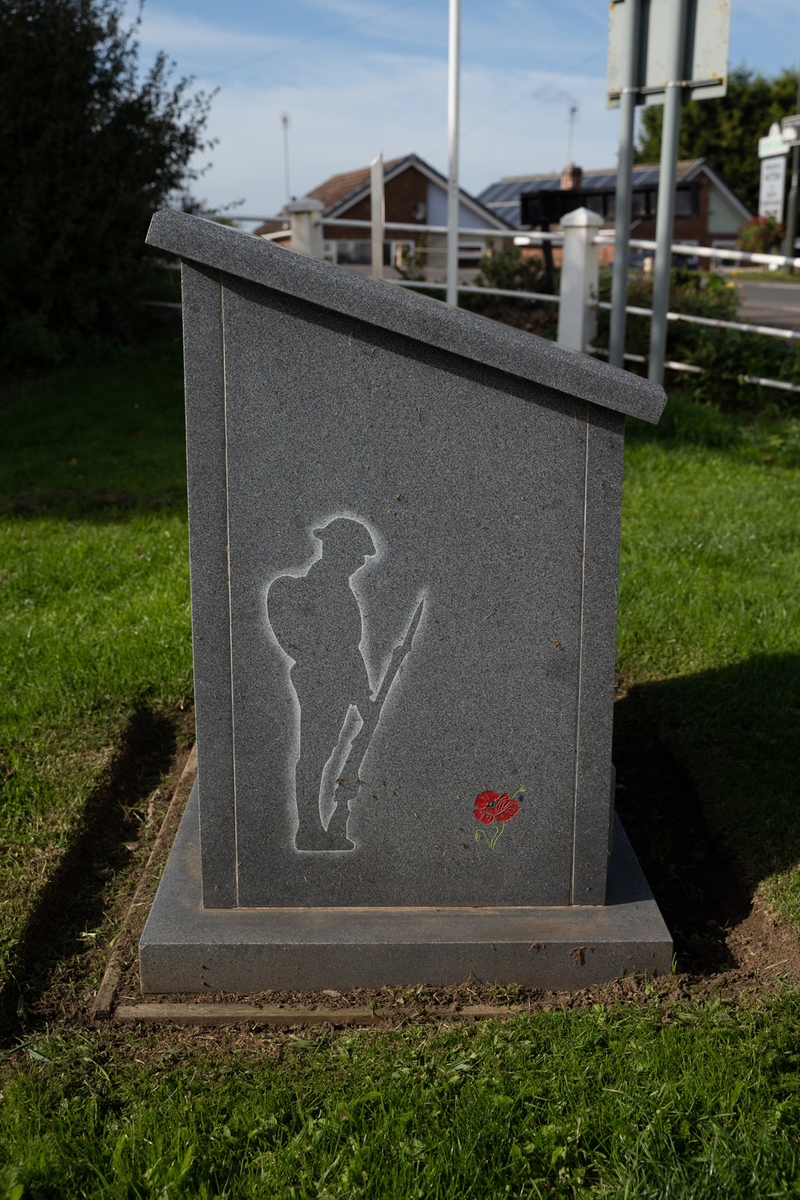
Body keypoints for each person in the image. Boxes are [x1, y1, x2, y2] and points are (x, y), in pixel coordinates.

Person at [267, 518, 376, 850]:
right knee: (315, 756)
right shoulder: (303, 588)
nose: (361, 561)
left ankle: (315, 827)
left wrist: (363, 695)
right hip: (321, 680)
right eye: (357, 553)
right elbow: (331, 649)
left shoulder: (340, 588)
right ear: (338, 549)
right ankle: (309, 829)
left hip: (340, 680)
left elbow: (350, 650)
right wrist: (358, 692)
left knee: (323, 754)